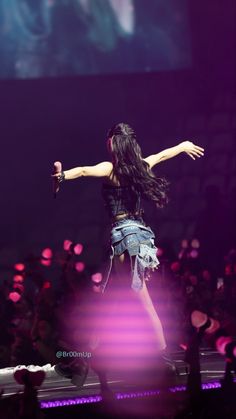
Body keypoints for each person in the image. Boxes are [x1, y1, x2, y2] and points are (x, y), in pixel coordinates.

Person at [53, 122, 204, 388]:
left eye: (108, 138)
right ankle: (79, 362)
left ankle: (162, 359)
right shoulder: (141, 166)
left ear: (112, 142)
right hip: (140, 237)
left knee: (138, 300)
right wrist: (182, 146)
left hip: (125, 238)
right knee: (111, 304)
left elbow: (85, 170)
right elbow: (163, 155)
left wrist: (63, 176)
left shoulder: (110, 169)